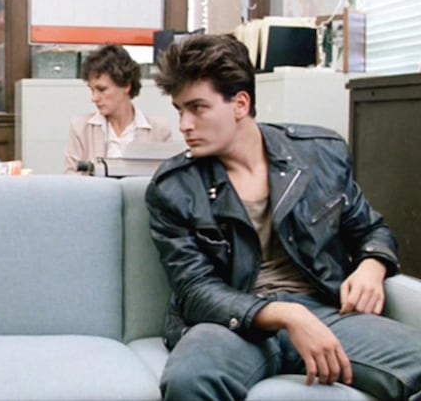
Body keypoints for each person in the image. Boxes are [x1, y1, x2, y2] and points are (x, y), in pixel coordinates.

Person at [146, 33, 421, 400]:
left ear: (240, 104)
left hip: (326, 310)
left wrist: (373, 264)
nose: (185, 124)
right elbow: (196, 291)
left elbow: (371, 229)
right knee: (189, 379)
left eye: (198, 108)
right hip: (234, 321)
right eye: (180, 110)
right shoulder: (174, 187)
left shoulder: (320, 154)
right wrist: (287, 315)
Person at [64, 44, 172, 174]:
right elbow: (70, 180)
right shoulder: (80, 128)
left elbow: (168, 180)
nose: (94, 98)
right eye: (92, 90)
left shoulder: (159, 130)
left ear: (126, 85)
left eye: (102, 89)